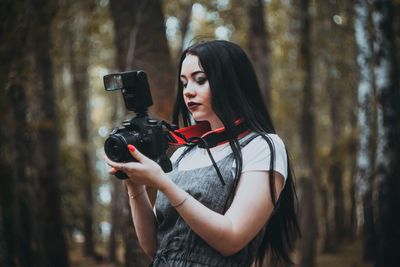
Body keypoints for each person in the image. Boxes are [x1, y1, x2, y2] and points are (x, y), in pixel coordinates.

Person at [106, 40, 300, 267]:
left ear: (231, 82)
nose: (188, 91)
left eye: (200, 80)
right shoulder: (182, 154)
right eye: (184, 83)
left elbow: (232, 238)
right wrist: (134, 185)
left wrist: (164, 183)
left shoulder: (262, 147)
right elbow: (155, 248)